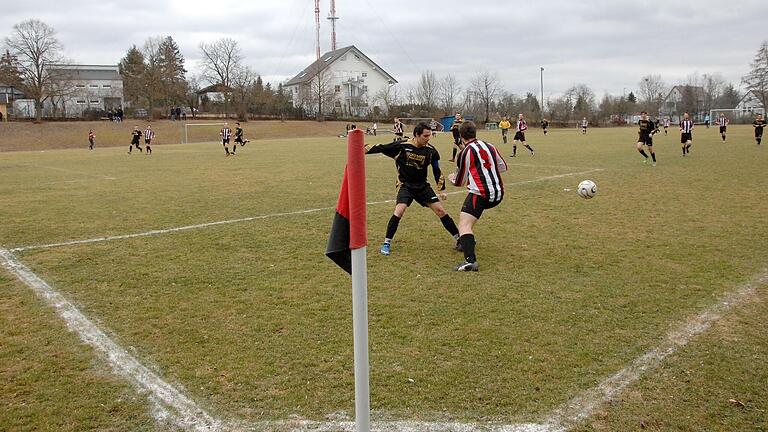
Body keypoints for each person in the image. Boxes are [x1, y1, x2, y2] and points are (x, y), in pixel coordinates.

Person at [364, 121, 461, 256]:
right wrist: (359, 148)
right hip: (405, 185)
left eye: (429, 136)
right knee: (400, 210)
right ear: (416, 135)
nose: (428, 139)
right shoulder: (401, 146)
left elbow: (436, 170)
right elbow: (380, 147)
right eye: (425, 136)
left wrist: (441, 189)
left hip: (422, 186)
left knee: (440, 211)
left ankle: (459, 239)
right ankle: (387, 243)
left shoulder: (431, 151)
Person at [448, 121, 507, 272]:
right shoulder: (490, 146)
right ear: (475, 133)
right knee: (468, 219)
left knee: (464, 224)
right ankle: (467, 241)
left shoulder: (465, 152)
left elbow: (460, 182)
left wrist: (452, 178)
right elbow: (503, 167)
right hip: (498, 193)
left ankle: (470, 261)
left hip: (481, 194)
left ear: (461, 136)